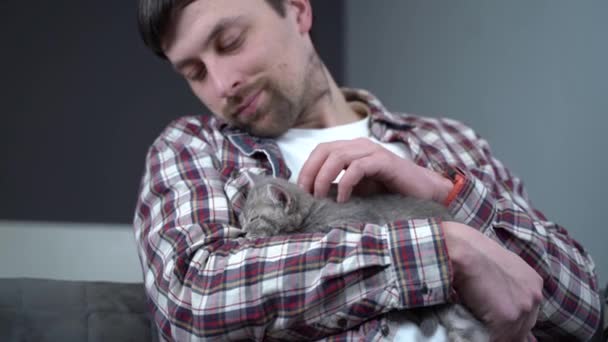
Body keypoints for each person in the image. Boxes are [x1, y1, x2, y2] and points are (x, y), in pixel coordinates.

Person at [133, 0, 601, 340]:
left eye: (230, 41)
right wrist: (445, 248)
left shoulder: (450, 142)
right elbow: (191, 306)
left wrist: (445, 194)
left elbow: (586, 309)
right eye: (194, 72)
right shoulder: (194, 149)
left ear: (297, 10)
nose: (221, 83)